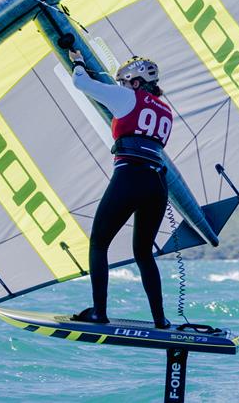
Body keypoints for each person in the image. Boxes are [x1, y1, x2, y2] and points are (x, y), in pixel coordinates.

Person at [67, 50, 172, 328]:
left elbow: (81, 83)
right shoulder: (166, 110)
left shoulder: (128, 96)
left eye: (124, 82)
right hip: (158, 184)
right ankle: (160, 320)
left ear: (135, 82)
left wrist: (78, 62)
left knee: (99, 243)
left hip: (130, 177)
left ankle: (99, 313)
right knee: (144, 253)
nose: (121, 87)